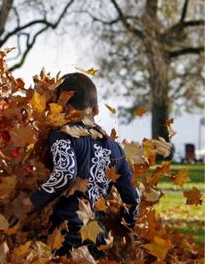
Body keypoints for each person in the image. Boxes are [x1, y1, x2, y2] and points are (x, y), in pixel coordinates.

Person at [21, 73, 140, 259]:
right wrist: (126, 227)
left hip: (67, 235)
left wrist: (30, 202)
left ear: (64, 106)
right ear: (97, 110)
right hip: (98, 239)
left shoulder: (63, 135)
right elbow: (133, 197)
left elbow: (66, 173)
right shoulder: (116, 149)